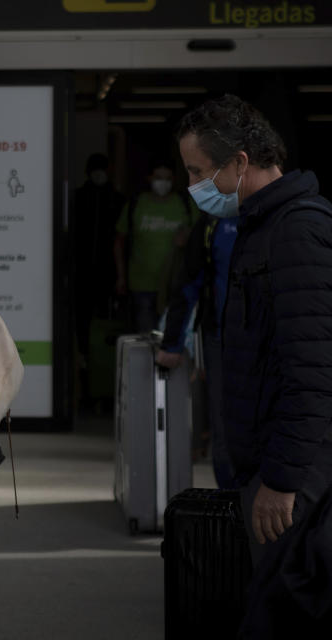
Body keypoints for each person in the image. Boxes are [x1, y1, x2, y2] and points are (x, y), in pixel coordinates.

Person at [177, 94, 332, 635]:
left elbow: (313, 371)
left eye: (199, 172)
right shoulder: (260, 225)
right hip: (267, 463)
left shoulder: (297, 232)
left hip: (295, 477)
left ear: (240, 162)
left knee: (277, 613)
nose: (194, 185)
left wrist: (283, 480)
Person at [156, 207, 239, 489]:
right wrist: (172, 343)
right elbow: (189, 283)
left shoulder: (283, 216)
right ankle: (233, 508)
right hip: (220, 338)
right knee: (225, 426)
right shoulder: (212, 224)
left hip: (272, 342)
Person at [114, 161, 199, 332]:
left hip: (175, 286)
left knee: (173, 338)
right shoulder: (136, 204)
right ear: (149, 178)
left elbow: (203, 237)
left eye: (168, 178)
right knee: (146, 339)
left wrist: (188, 237)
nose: (163, 182)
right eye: (159, 178)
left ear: (174, 180)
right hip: (142, 285)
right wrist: (121, 276)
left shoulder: (185, 205)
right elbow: (119, 241)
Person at [72, 153, 125, 404]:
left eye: (103, 169)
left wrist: (119, 277)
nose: (99, 174)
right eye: (95, 169)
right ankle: (85, 382)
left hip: (108, 275)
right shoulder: (78, 198)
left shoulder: (117, 199)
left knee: (106, 327)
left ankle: (104, 384)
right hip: (81, 274)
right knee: (82, 328)